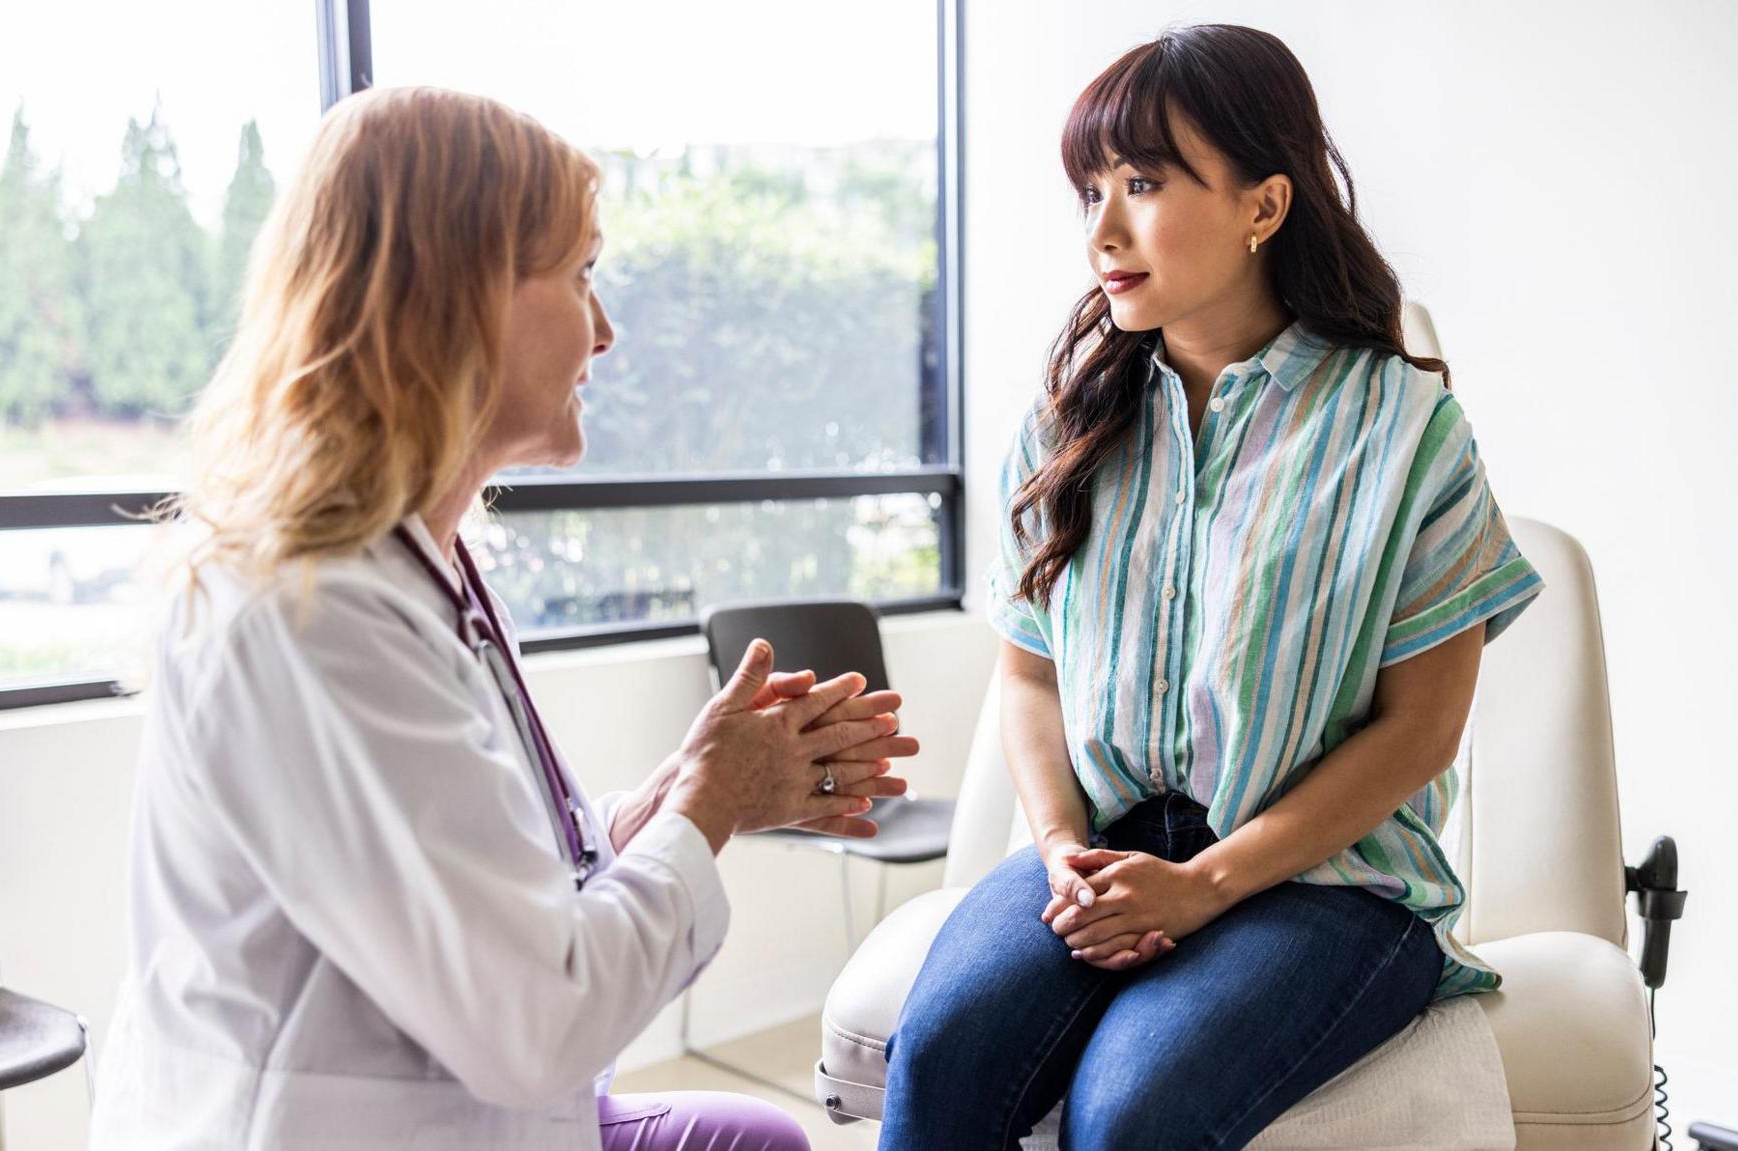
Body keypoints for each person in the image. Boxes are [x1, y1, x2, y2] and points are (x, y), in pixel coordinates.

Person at [86, 86, 917, 1151]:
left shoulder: (417, 562)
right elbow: (537, 1021)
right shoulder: (310, 612)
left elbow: (485, 870)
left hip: (473, 1107)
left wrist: (657, 806)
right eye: (579, 275)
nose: (606, 331)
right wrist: (707, 807)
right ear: (456, 296)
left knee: (761, 1138)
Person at [879, 25, 1544, 1150]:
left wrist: (1205, 885)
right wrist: (1058, 851)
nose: (1101, 229)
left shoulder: (1402, 429)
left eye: (1141, 183)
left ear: (1262, 205)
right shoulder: (1065, 426)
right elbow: (1028, 677)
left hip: (1333, 884)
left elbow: (1420, 731)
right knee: (940, 1054)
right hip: (1101, 842)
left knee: (1133, 1111)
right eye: (1090, 188)